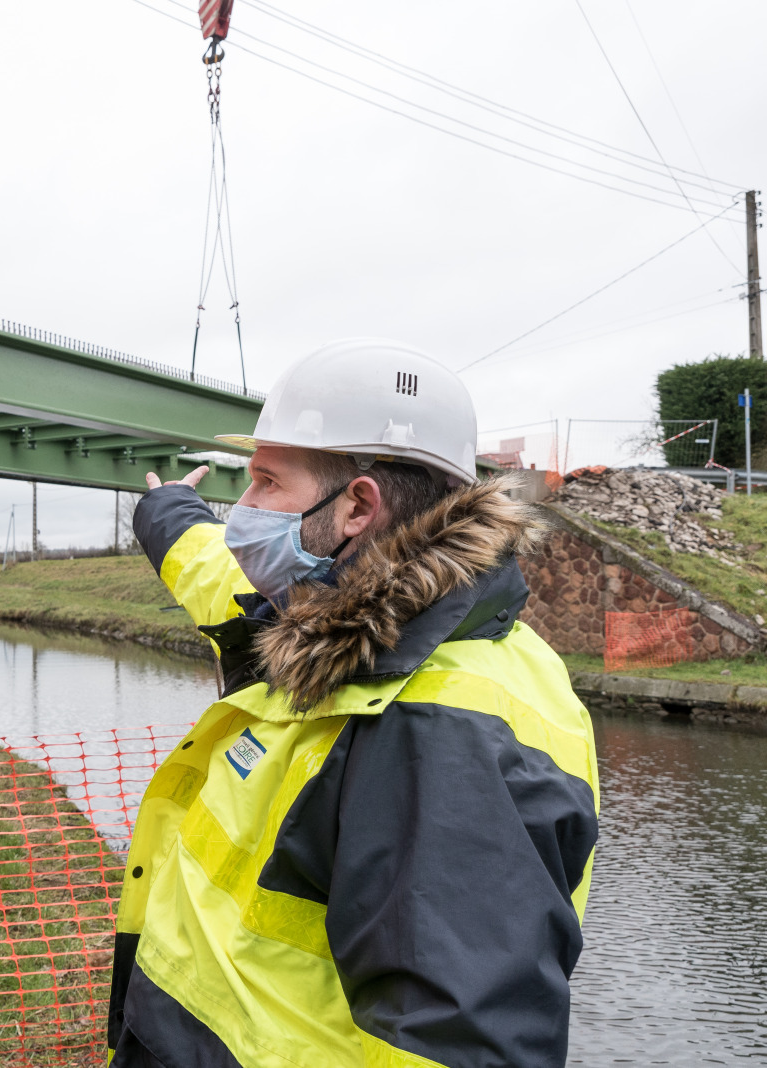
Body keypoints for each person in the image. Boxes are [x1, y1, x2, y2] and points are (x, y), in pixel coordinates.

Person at [109, 339, 599, 1068]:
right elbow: (210, 566)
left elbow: (458, 1044)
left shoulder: (437, 732)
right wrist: (166, 508)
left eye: (266, 484)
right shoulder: (327, 618)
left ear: (356, 508)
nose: (242, 514)